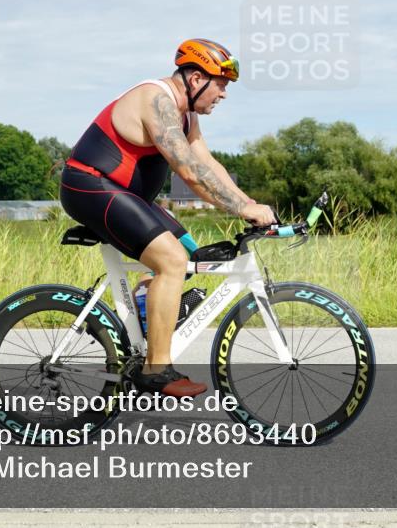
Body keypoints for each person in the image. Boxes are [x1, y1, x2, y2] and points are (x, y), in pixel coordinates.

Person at [60, 38, 276, 397]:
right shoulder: (156, 100)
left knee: (190, 252)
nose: (223, 94)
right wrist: (240, 209)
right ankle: (156, 370)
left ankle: (145, 317)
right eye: (220, 84)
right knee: (171, 261)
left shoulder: (186, 114)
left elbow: (208, 164)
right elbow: (189, 172)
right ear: (195, 79)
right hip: (89, 187)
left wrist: (250, 203)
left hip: (127, 196)